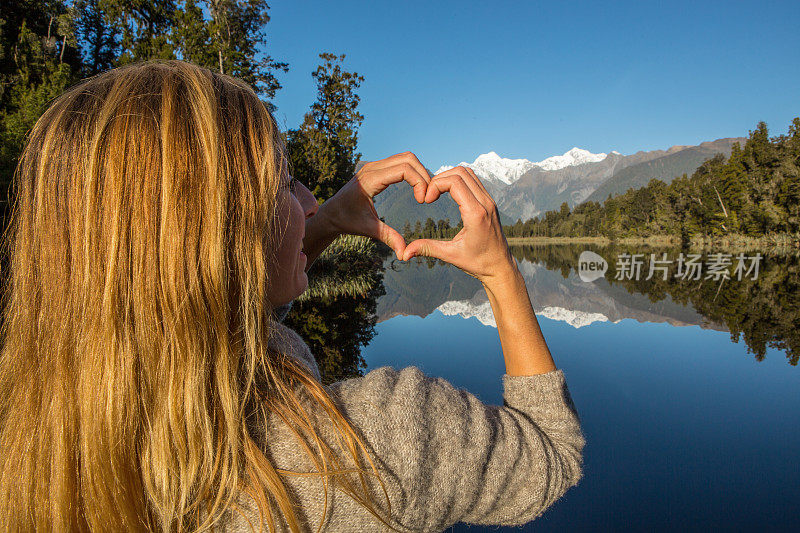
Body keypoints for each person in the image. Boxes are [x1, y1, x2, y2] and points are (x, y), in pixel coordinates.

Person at [0, 59, 584, 532]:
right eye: (283, 181)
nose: (306, 200)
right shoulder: (383, 439)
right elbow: (550, 455)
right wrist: (500, 271)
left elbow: (226, 313)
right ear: (218, 237)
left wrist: (328, 220)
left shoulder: (45, 436)